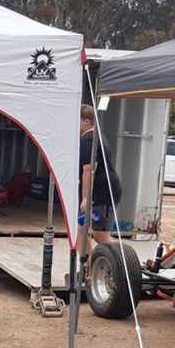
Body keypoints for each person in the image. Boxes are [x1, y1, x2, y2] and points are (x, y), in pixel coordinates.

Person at [78, 104, 121, 250]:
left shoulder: (88, 140)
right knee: (81, 232)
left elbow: (89, 170)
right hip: (105, 190)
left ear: (86, 122)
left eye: (77, 120)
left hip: (103, 193)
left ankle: (126, 260)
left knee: (100, 236)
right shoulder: (98, 136)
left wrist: (85, 197)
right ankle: (88, 270)